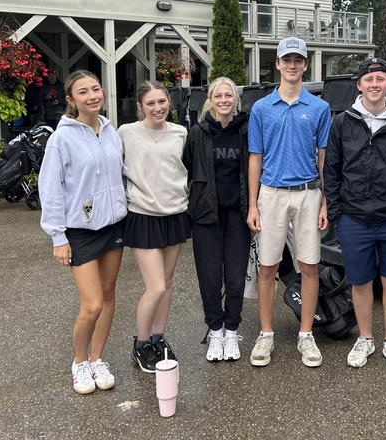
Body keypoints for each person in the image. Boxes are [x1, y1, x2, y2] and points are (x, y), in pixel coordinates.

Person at [324, 57, 386, 372]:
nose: (374, 85)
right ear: (359, 85)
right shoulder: (343, 123)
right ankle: (365, 338)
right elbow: (332, 170)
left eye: (380, 79)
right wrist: (337, 213)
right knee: (360, 282)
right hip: (354, 219)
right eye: (369, 80)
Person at [38, 70, 127, 395]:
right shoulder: (61, 139)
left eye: (95, 89)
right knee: (91, 304)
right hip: (81, 231)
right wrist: (57, 236)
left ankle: (97, 358)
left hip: (114, 225)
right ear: (71, 100)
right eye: (83, 92)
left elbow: (122, 174)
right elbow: (50, 189)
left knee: (108, 295)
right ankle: (79, 362)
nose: (92, 95)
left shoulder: (110, 131)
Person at [246, 36, 331, 368]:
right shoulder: (262, 108)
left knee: (309, 267)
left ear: (305, 65)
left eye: (298, 60)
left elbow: (323, 157)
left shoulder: (320, 108)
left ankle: (305, 334)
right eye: (287, 60)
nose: (292, 65)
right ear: (278, 64)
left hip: (309, 194)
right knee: (267, 267)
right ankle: (265, 333)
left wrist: (325, 201)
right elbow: (255, 157)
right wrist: (253, 204)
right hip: (271, 193)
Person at [118, 81, 190, 372]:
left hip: (175, 213)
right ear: (140, 107)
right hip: (143, 215)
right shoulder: (126, 133)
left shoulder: (181, 133)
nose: (158, 108)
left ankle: (158, 338)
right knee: (156, 286)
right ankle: (141, 343)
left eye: (162, 102)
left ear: (169, 103)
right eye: (151, 103)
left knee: (168, 283)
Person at [182, 77, 251, 362]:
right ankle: (215, 330)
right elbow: (187, 164)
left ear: (236, 100)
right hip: (206, 216)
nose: (224, 100)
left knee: (235, 278)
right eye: (218, 95)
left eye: (229, 95)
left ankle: (232, 331)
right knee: (209, 278)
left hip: (238, 215)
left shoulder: (246, 130)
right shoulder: (198, 133)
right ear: (210, 99)